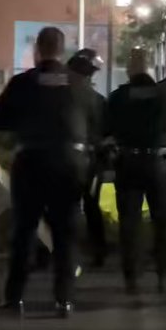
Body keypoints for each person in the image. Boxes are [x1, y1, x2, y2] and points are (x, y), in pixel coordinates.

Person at [0, 27, 98, 318]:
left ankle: (15, 297)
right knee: (66, 232)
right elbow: (99, 120)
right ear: (62, 50)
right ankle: (64, 299)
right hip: (69, 162)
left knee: (24, 230)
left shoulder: (22, 82)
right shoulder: (79, 84)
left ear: (39, 49)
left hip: (32, 159)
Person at [109, 48, 166, 294]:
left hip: (128, 163)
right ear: (150, 67)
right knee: (164, 220)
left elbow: (106, 126)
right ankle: (165, 273)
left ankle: (132, 276)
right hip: (157, 164)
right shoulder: (164, 95)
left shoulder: (119, 96)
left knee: (130, 222)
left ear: (131, 68)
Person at [67, 48, 109, 268]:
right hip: (90, 160)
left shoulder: (61, 94)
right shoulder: (96, 99)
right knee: (91, 206)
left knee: (62, 206)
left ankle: (55, 252)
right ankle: (98, 251)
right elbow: (104, 132)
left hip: (64, 157)